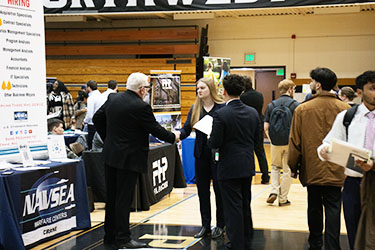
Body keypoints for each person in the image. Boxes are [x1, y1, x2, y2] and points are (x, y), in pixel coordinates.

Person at [93, 72, 179, 249]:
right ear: (141, 90)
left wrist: (108, 138)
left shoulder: (113, 98)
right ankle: (123, 238)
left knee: (112, 197)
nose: (147, 91)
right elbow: (155, 129)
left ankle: (110, 236)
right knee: (124, 199)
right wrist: (173, 137)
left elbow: (97, 118)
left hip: (111, 155)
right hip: (129, 158)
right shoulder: (140, 106)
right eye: (147, 88)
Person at [288, 67, 350, 250]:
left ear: (318, 84)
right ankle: (333, 245)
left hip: (312, 167)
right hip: (338, 167)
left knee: (314, 206)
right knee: (333, 207)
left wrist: (293, 166)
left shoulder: (302, 109)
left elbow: (295, 142)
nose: (309, 84)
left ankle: (315, 243)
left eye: (311, 81)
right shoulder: (346, 109)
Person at [317, 71, 375, 250]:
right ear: (360, 92)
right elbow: (326, 143)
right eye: (373, 88)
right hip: (353, 183)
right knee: (355, 233)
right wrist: (324, 151)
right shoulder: (347, 117)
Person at [208, 74, 260, 250]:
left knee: (232, 208)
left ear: (224, 91)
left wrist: (210, 138)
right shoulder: (253, 112)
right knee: (245, 203)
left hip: (228, 166)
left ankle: (236, 244)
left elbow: (214, 142)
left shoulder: (221, 114)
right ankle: (246, 240)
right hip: (246, 164)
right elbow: (256, 141)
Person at [179, 77, 225, 239]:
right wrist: (175, 136)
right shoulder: (195, 108)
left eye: (202, 88)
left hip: (217, 155)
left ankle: (220, 225)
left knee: (219, 191)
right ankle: (205, 225)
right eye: (197, 88)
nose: (199, 91)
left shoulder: (221, 108)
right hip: (200, 156)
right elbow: (185, 130)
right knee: (202, 192)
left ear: (210, 89)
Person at [264, 79, 299, 206]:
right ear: (290, 89)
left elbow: (265, 127)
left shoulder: (271, 105)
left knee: (274, 167)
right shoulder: (296, 105)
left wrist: (272, 139)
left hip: (275, 142)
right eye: (294, 89)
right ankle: (283, 198)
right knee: (287, 169)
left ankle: (273, 191)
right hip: (289, 142)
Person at [240, 75, 270, 184]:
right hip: (259, 122)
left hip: (247, 124)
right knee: (260, 151)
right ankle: (265, 176)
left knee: (247, 150)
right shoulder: (259, 95)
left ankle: (249, 173)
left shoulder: (242, 97)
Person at [84, 80, 102, 150]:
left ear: (88, 87)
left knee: (91, 145)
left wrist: (85, 121)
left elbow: (89, 115)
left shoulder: (91, 98)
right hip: (101, 124)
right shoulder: (101, 96)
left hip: (92, 124)